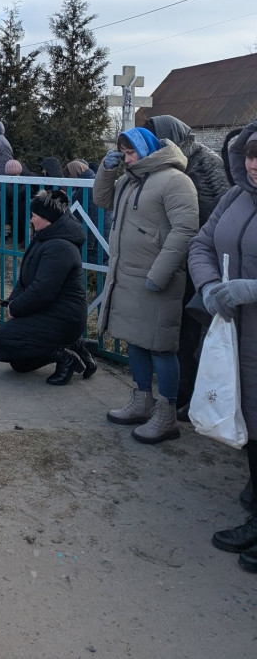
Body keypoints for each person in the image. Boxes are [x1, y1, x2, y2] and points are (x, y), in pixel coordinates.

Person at [94, 127, 198, 443]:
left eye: (130, 153)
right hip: (128, 276)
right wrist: (106, 170)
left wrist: (159, 274)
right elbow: (102, 199)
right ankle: (142, 401)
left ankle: (166, 417)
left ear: (147, 149)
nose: (127, 159)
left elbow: (186, 231)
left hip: (156, 280)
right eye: (123, 154)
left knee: (161, 347)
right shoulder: (130, 179)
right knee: (135, 340)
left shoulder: (176, 180)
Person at [188, 120, 257, 571]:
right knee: (251, 419)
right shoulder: (235, 197)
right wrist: (211, 285)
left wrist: (251, 289)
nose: (254, 165)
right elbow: (201, 244)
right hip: (236, 335)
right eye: (251, 155)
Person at [143, 113, 231, 414]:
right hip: (184, 256)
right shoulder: (173, 162)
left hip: (202, 260)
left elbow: (212, 210)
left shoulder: (203, 162)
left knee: (192, 331)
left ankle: (189, 396)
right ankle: (179, 393)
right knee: (179, 328)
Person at [0, 188, 96, 384]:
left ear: (47, 219)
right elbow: (25, 280)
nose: (30, 220)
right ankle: (76, 346)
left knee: (7, 336)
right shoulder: (45, 238)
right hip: (50, 311)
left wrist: (16, 308)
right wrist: (12, 303)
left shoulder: (60, 247)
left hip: (65, 317)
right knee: (20, 363)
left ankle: (65, 357)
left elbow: (43, 290)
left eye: (34, 216)